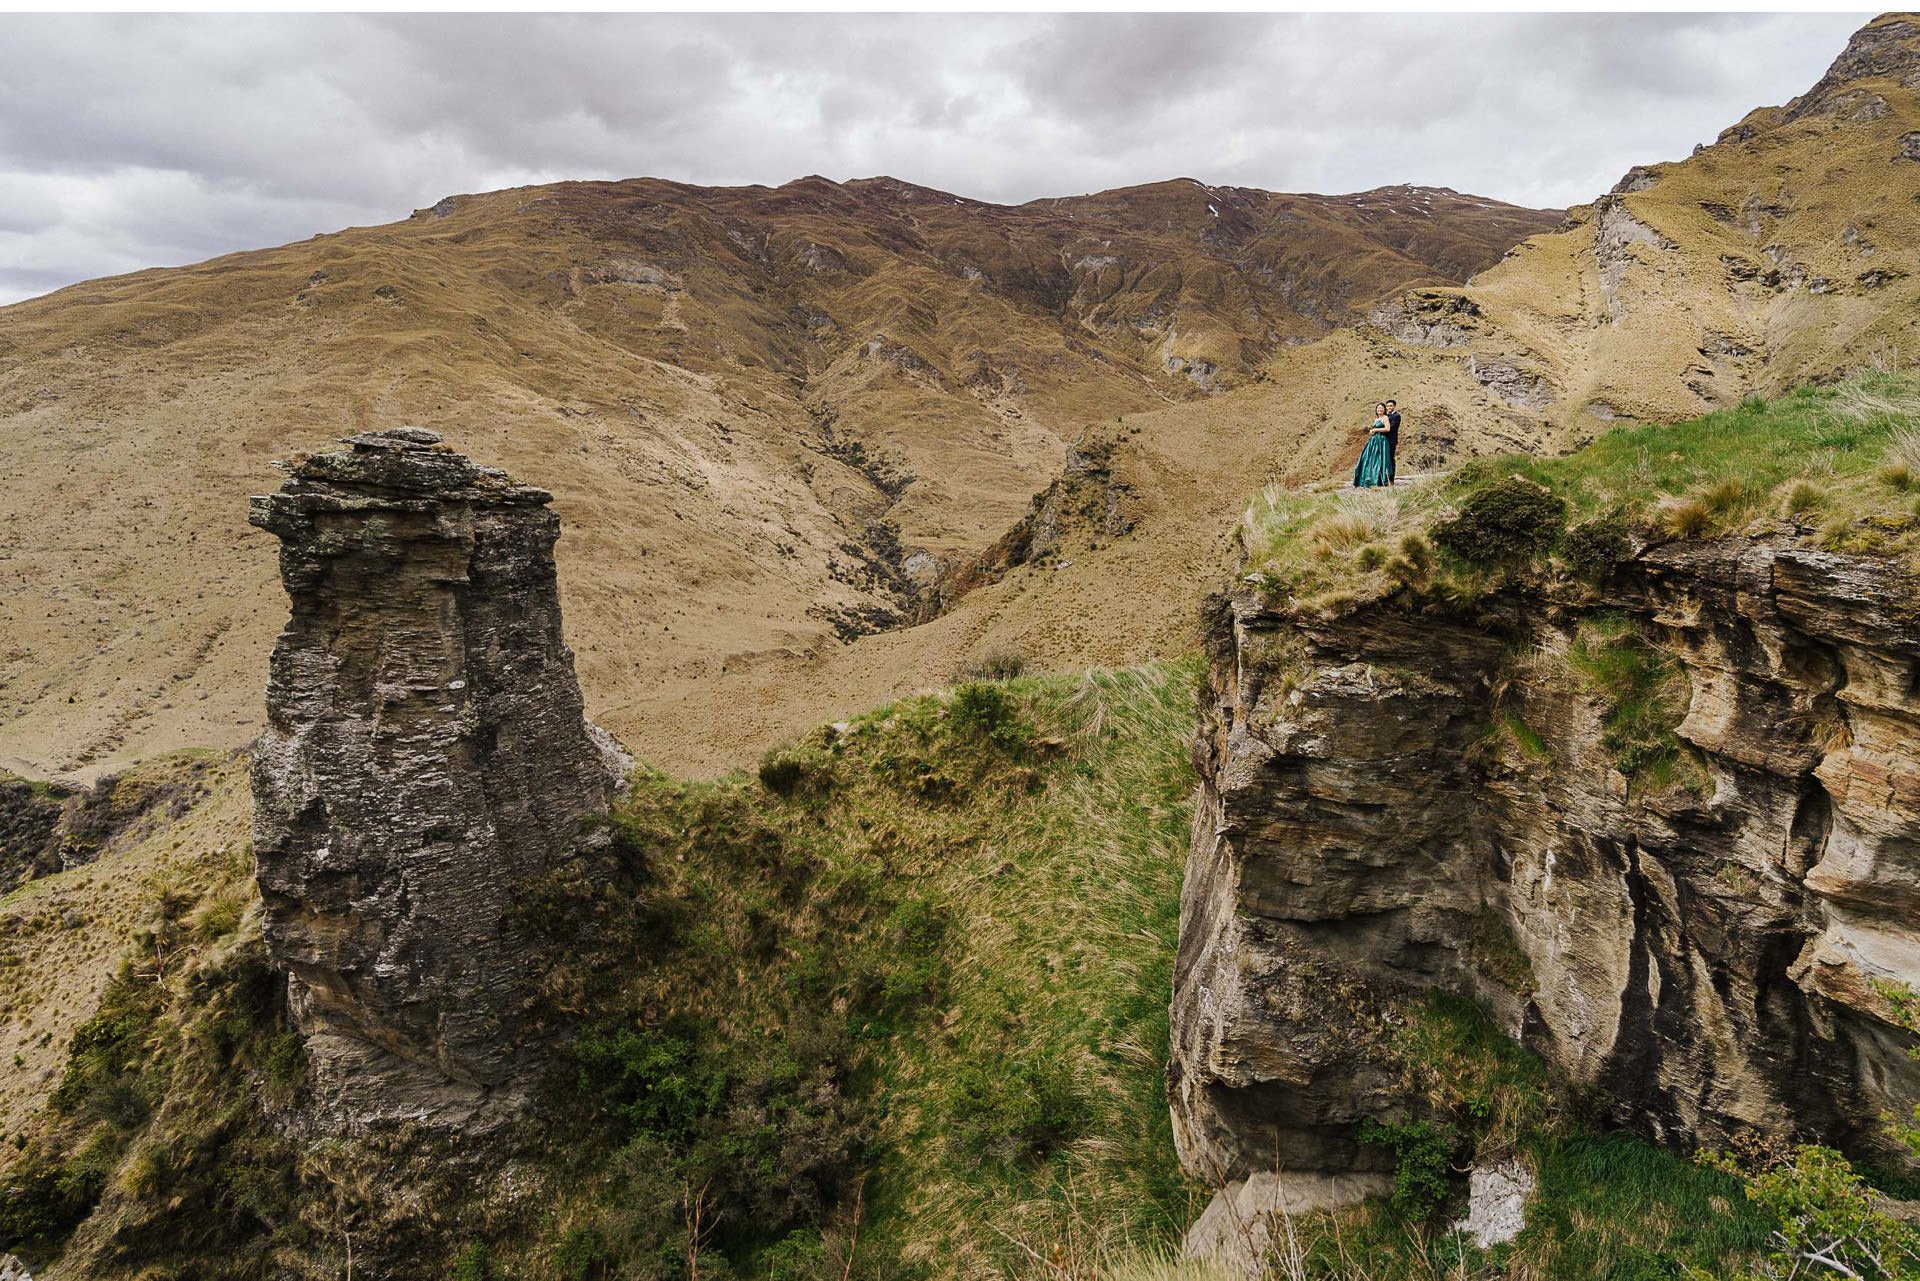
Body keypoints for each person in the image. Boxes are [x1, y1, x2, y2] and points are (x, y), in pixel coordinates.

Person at [1352, 401, 1394, 488]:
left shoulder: (1385, 417)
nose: (1380, 410)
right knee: (1368, 458)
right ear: (1376, 410)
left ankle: (1379, 479)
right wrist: (1372, 431)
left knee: (1380, 459)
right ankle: (1367, 478)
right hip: (1374, 440)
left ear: (1384, 410)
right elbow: (1375, 428)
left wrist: (1376, 430)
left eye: (1382, 408)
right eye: (1378, 408)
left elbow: (1387, 428)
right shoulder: (1376, 419)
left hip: (1382, 440)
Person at [1383, 399, 1402, 484]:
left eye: (1391, 406)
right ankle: (1384, 478)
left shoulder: (1396, 416)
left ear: (1394, 406)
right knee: (1384, 459)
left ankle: (1391, 478)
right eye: (1387, 406)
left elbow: (1391, 428)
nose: (1389, 407)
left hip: (1391, 441)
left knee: (1390, 459)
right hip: (1384, 440)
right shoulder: (1386, 415)